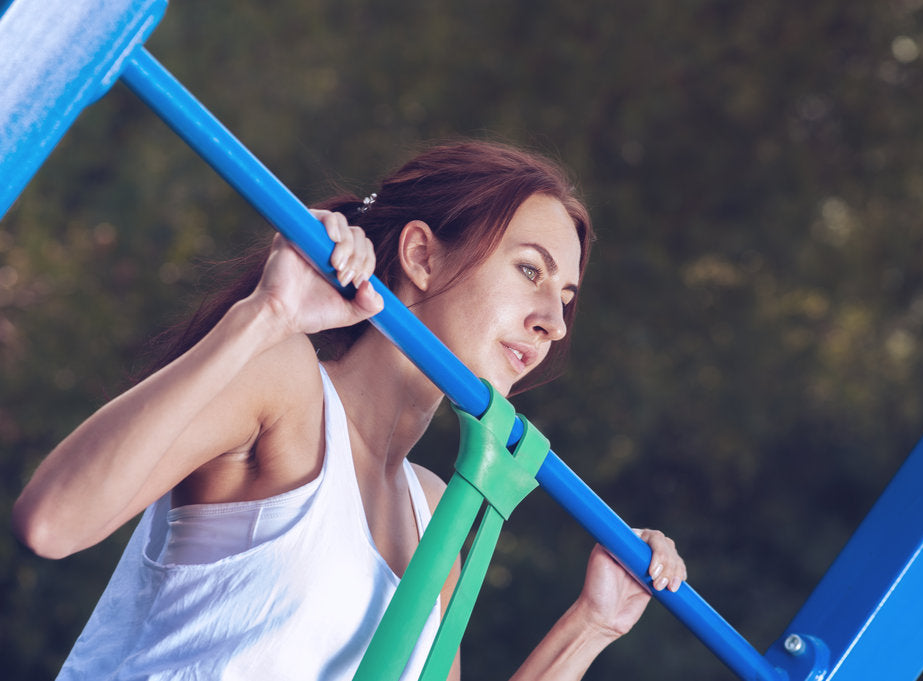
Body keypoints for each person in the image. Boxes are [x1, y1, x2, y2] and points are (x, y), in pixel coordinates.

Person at [12, 140, 686, 680]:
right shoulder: (287, 385)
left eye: (566, 298)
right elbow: (51, 522)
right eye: (530, 271)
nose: (554, 322)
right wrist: (267, 315)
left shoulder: (435, 513)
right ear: (421, 255)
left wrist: (591, 624)